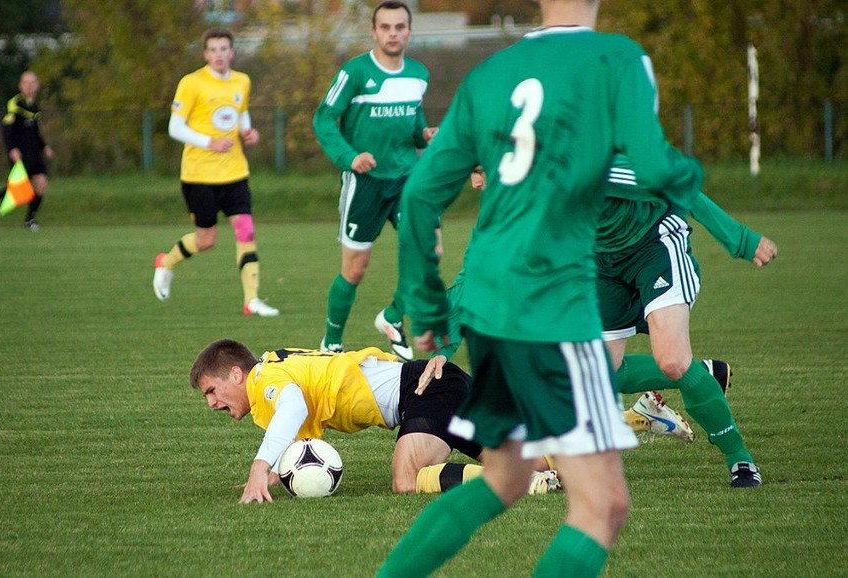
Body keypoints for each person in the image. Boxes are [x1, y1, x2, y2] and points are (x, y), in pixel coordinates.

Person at [378, 0, 703, 576]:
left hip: (491, 305)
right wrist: (686, 176)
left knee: (506, 478)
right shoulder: (619, 58)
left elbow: (421, 194)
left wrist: (429, 304)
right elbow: (654, 168)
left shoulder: (489, 75)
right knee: (602, 506)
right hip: (555, 302)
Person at [189, 339, 560, 503]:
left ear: (236, 374)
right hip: (435, 388)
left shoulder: (265, 380)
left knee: (407, 479)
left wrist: (260, 465)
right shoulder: (271, 376)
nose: (211, 403)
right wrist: (269, 477)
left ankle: (525, 483)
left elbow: (294, 407)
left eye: (211, 390)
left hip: (424, 388)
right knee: (542, 459)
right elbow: (294, 435)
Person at [595, 153, 778, 487]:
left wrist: (741, 240)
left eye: (480, 171)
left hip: (655, 248)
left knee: (673, 362)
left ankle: (739, 458)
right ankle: (701, 376)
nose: (476, 182)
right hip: (601, 264)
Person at [312, 0, 437, 359]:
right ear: (374, 31)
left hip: (406, 180)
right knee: (354, 270)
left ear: (409, 32)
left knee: (429, 251)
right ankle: (331, 342)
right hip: (365, 184)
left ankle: (393, 316)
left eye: (400, 26)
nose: (393, 33)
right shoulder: (354, 72)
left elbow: (412, 124)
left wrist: (424, 135)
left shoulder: (418, 74)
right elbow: (323, 119)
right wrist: (349, 156)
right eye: (386, 27)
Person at [152, 28, 278, 317]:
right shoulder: (191, 83)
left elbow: (240, 113)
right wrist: (210, 142)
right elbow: (175, 127)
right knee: (206, 240)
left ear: (232, 52)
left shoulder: (242, 81)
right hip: (198, 175)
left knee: (245, 229)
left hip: (234, 171)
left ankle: (252, 300)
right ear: (206, 54)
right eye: (214, 49)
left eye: (224, 49)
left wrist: (248, 132)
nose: (219, 54)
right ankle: (166, 262)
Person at [0, 71, 55, 231]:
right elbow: (7, 129)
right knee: (17, 189)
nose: (29, 86)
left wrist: (45, 147)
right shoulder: (15, 104)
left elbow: (36, 132)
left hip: (34, 153)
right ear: (20, 85)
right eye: (26, 83)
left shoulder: (35, 107)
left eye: (32, 83)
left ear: (37, 86)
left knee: (41, 184)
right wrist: (12, 149)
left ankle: (30, 219)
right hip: (20, 153)